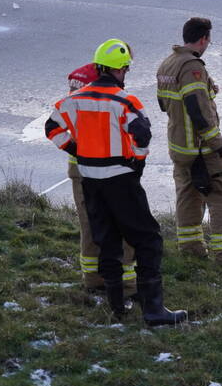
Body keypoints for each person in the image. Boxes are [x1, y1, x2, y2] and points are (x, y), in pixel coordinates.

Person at [46, 39, 186, 326]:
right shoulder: (125, 101)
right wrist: (137, 161)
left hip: (90, 180)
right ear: (121, 70)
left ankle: (116, 306)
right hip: (121, 180)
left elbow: (51, 127)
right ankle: (154, 310)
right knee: (149, 241)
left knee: (106, 240)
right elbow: (142, 135)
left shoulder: (74, 100)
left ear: (98, 67)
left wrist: (76, 149)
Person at [156, 17, 222, 265]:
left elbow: (164, 104)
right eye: (209, 39)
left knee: (187, 195)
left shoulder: (167, 64)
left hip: (179, 146)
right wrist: (217, 143)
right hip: (202, 148)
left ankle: (191, 251)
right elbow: (198, 108)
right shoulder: (192, 67)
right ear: (203, 38)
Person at [65, 62, 137, 298]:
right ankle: (126, 286)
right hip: (106, 168)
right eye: (124, 67)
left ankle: (93, 279)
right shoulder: (102, 90)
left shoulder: (80, 82)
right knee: (123, 224)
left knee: (90, 225)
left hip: (80, 168)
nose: (125, 73)